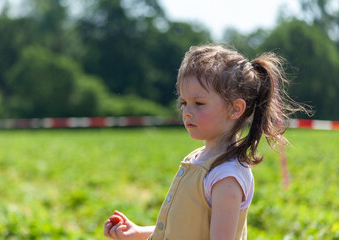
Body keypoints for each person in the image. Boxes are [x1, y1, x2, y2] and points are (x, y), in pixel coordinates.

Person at [104, 44, 305, 240]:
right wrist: (138, 232)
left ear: (235, 109)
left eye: (199, 103)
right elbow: (183, 229)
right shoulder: (197, 157)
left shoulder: (227, 176)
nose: (187, 112)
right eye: (184, 103)